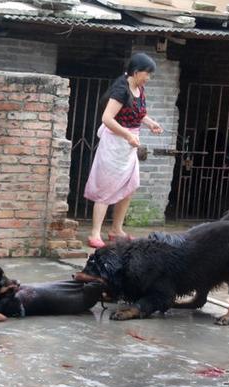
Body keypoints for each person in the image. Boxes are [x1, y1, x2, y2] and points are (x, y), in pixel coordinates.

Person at [84, 52, 164, 249]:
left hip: (128, 145)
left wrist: (150, 123)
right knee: (106, 187)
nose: (149, 78)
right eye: (147, 74)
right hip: (114, 144)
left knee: (129, 186)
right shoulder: (121, 90)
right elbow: (107, 119)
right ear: (136, 72)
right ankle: (95, 233)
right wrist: (128, 135)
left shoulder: (139, 88)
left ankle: (116, 230)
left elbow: (139, 113)